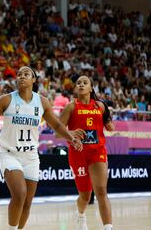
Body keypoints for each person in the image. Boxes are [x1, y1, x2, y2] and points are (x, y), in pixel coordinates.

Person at [0, 66, 83, 230]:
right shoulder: (6, 100)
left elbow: (57, 125)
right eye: (19, 75)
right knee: (19, 195)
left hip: (31, 156)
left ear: (34, 80)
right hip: (9, 154)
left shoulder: (43, 102)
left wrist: (71, 137)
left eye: (26, 74)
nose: (21, 77)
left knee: (27, 203)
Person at [58, 75, 114, 230]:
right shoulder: (71, 106)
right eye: (78, 83)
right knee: (85, 196)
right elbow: (57, 132)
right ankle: (81, 215)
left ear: (91, 88)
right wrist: (72, 133)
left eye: (85, 83)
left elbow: (110, 126)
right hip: (78, 154)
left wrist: (109, 123)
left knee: (101, 190)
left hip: (97, 152)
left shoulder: (100, 106)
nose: (81, 85)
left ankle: (108, 227)